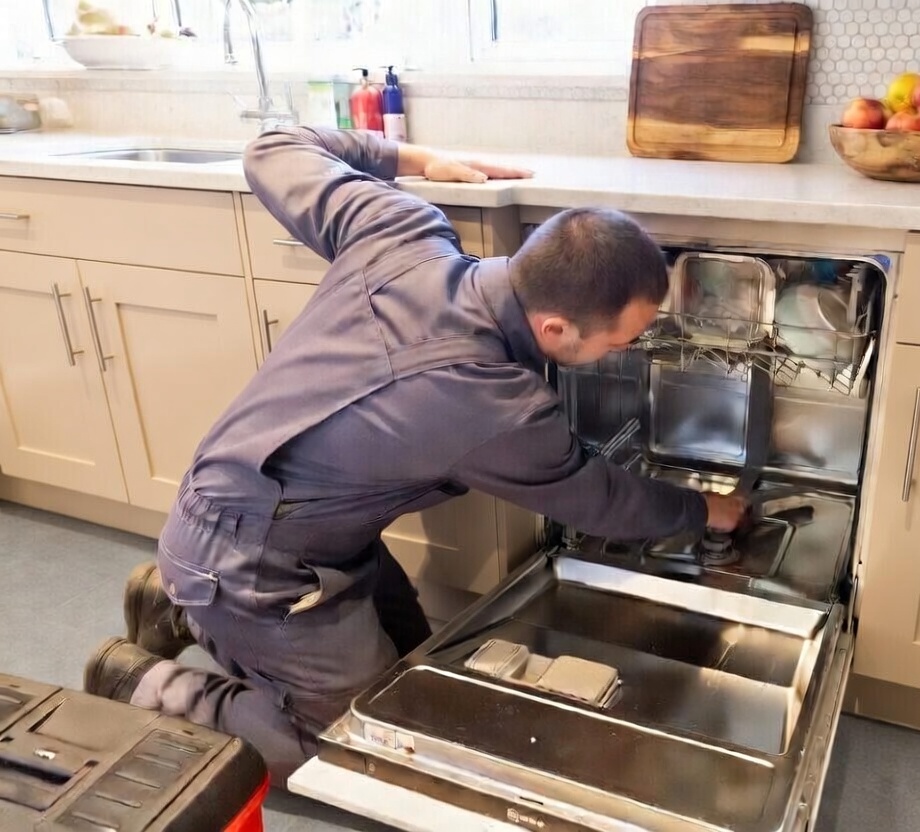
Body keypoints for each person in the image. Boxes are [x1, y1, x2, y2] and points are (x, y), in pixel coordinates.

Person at [81, 126, 749, 784]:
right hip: (262, 567)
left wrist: (420, 158)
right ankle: (144, 682)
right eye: (621, 341)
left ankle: (174, 601)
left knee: (409, 670)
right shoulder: (493, 402)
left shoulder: (404, 229)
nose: (625, 351)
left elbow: (273, 147)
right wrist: (702, 510)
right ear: (555, 327)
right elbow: (599, 499)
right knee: (357, 746)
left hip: (266, 521)